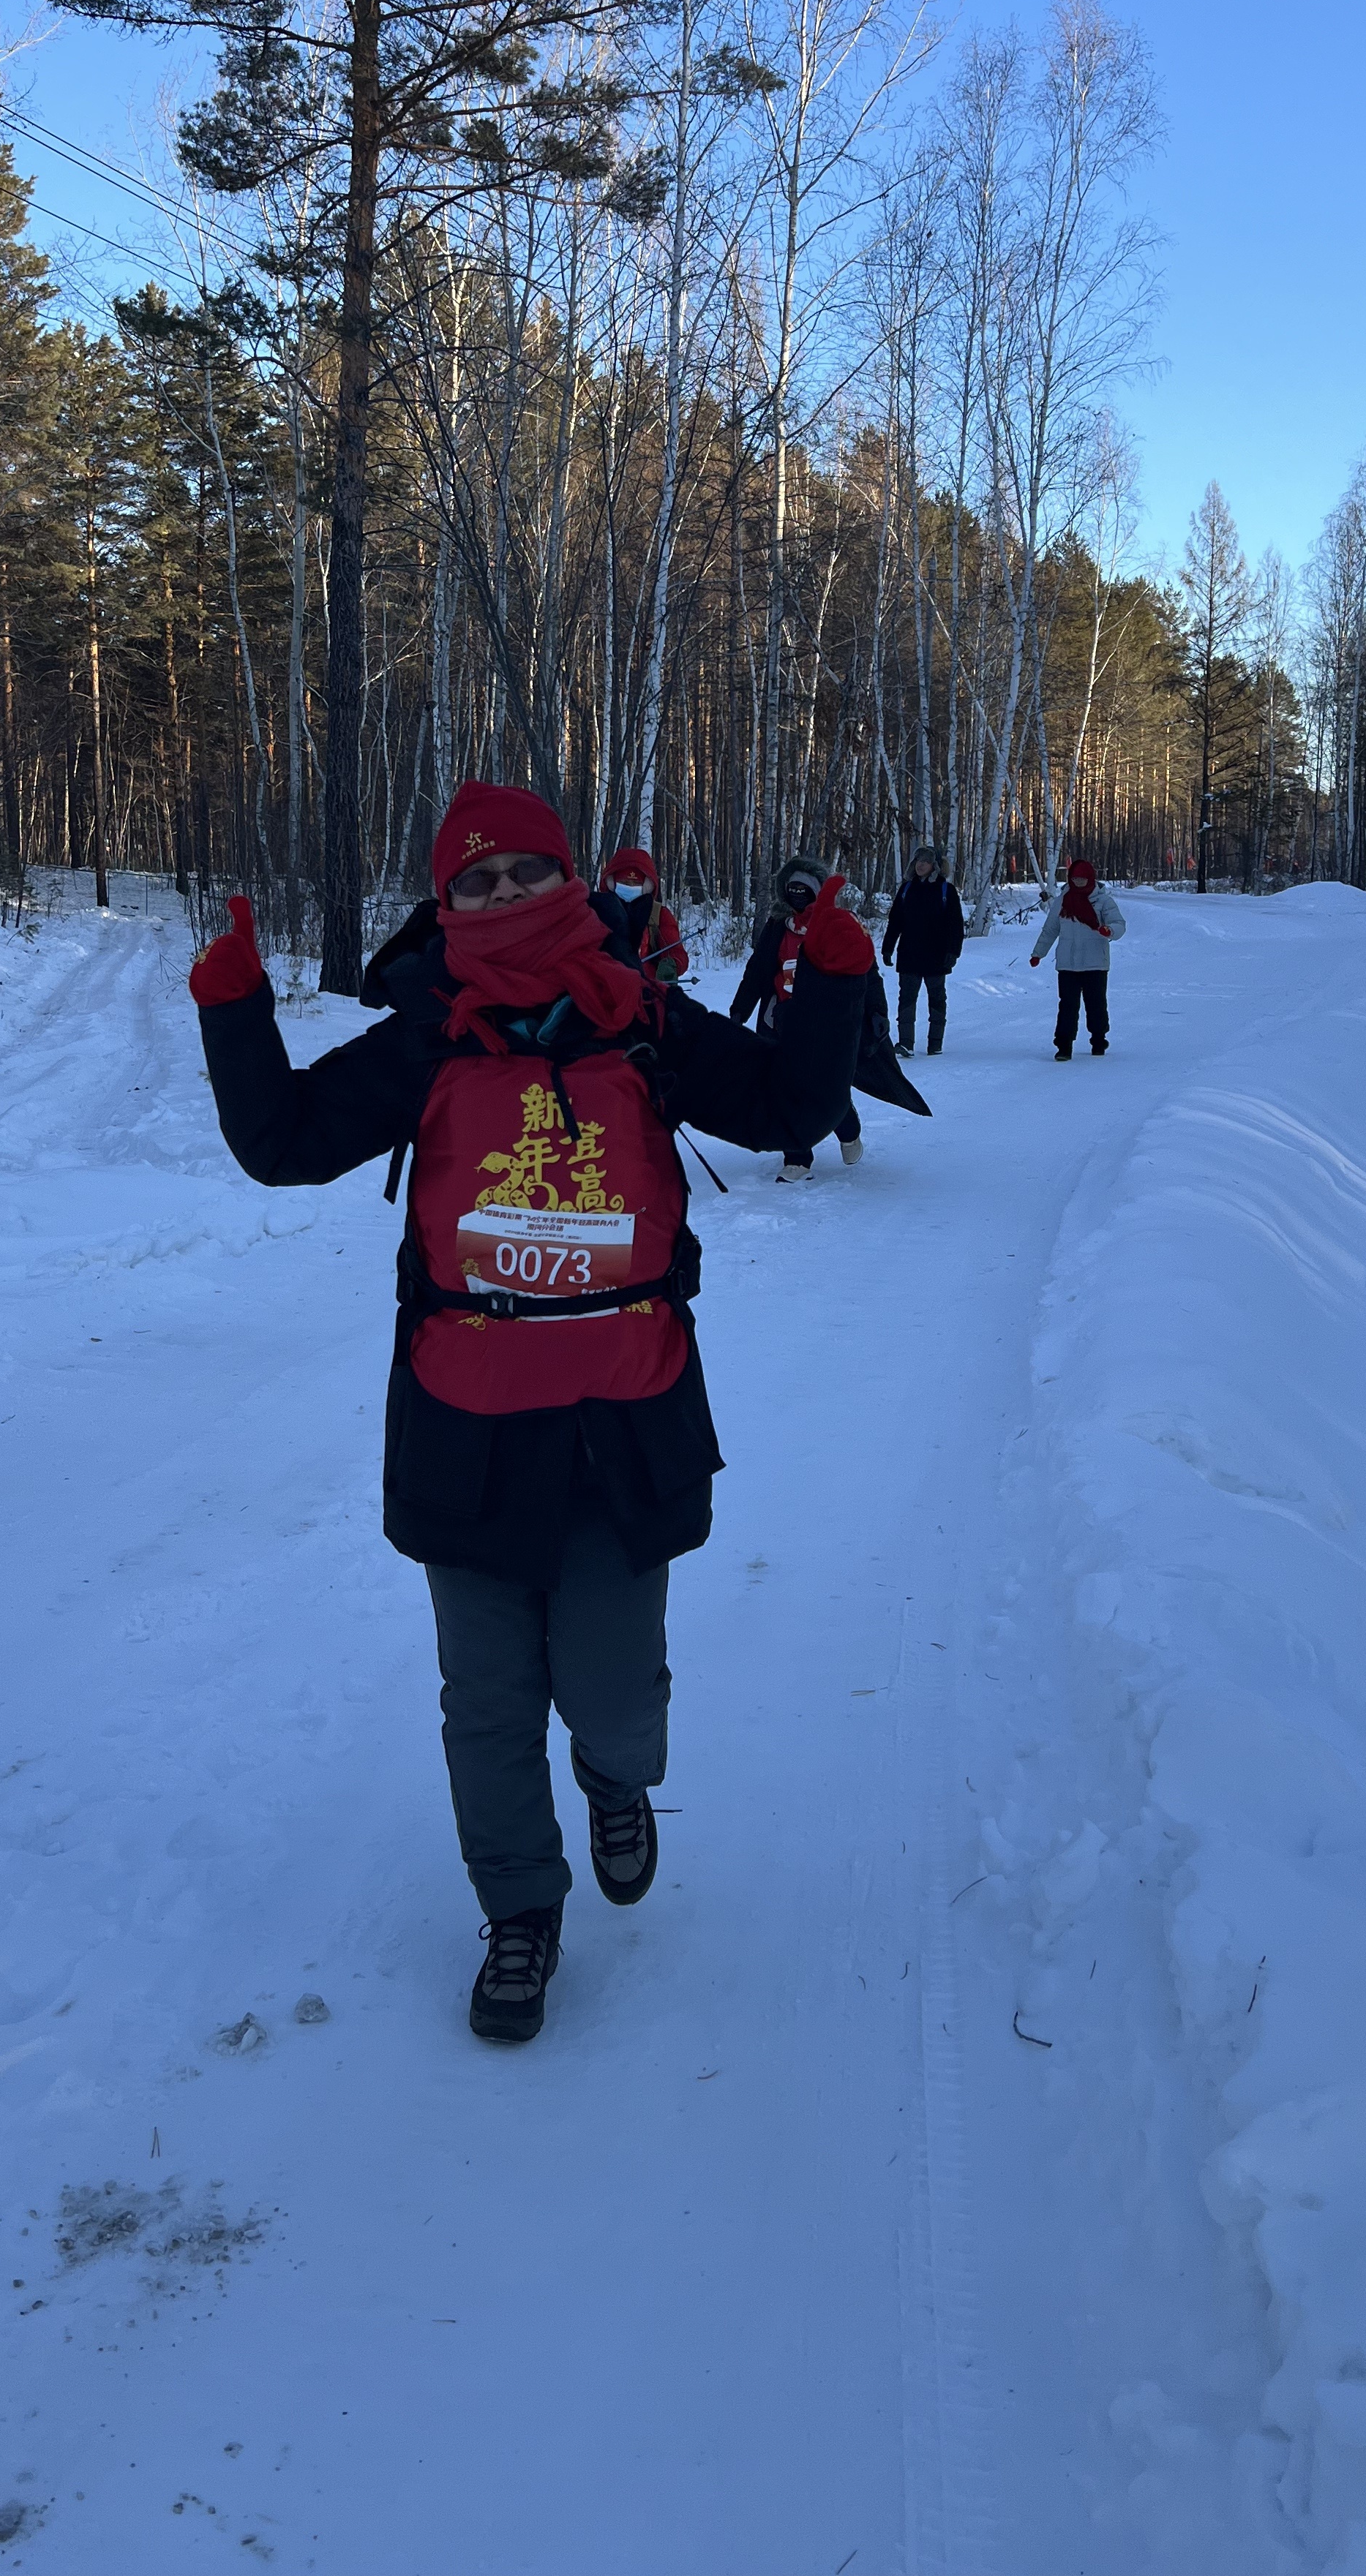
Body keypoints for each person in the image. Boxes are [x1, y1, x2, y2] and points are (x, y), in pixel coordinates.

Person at [188, 782, 889, 2047]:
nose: (500, 893)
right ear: (440, 901)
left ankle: (617, 1781)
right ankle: (518, 1910)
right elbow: (284, 1142)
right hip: (469, 1429)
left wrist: (833, 979)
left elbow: (786, 1107)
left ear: (567, 878)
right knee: (488, 1700)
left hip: (623, 1421)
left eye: (523, 870)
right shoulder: (426, 1034)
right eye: (474, 879)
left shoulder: (643, 1021)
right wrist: (234, 1007)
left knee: (613, 1692)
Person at [729, 855, 921, 1178]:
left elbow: (867, 972)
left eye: (804, 890)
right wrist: (739, 1011)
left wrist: (877, 1011)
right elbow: (758, 972)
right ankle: (797, 1159)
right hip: (780, 1021)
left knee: (825, 1087)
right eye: (792, 890)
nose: (797, 896)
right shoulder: (778, 927)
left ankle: (847, 1128)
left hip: (825, 1022)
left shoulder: (839, 923)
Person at [1029, 856, 1127, 1058]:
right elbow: (1050, 930)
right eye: (1075, 879)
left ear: (1090, 878)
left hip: (1096, 964)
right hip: (1067, 964)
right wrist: (1039, 953)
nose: (1078, 882)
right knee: (1067, 1006)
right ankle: (1064, 1046)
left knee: (1096, 1004)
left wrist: (1110, 930)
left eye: (1082, 879)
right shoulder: (1062, 901)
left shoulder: (1103, 901)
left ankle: (1099, 1040)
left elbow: (1119, 924)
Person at [882, 844, 964, 1056]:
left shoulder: (947, 891)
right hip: (909, 955)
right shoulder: (907, 889)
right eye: (918, 860)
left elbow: (956, 926)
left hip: (937, 957)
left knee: (937, 1000)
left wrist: (953, 953)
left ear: (934, 866)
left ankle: (935, 1043)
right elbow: (895, 922)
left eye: (926, 861)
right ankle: (906, 1043)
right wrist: (888, 948)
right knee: (906, 1000)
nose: (920, 865)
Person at [596, 845, 690, 982]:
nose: (629, 887)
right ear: (612, 882)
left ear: (647, 886)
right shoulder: (595, 911)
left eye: (636, 884)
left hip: (646, 993)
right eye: (624, 882)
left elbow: (676, 953)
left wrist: (672, 965)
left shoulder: (658, 915)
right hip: (602, 992)